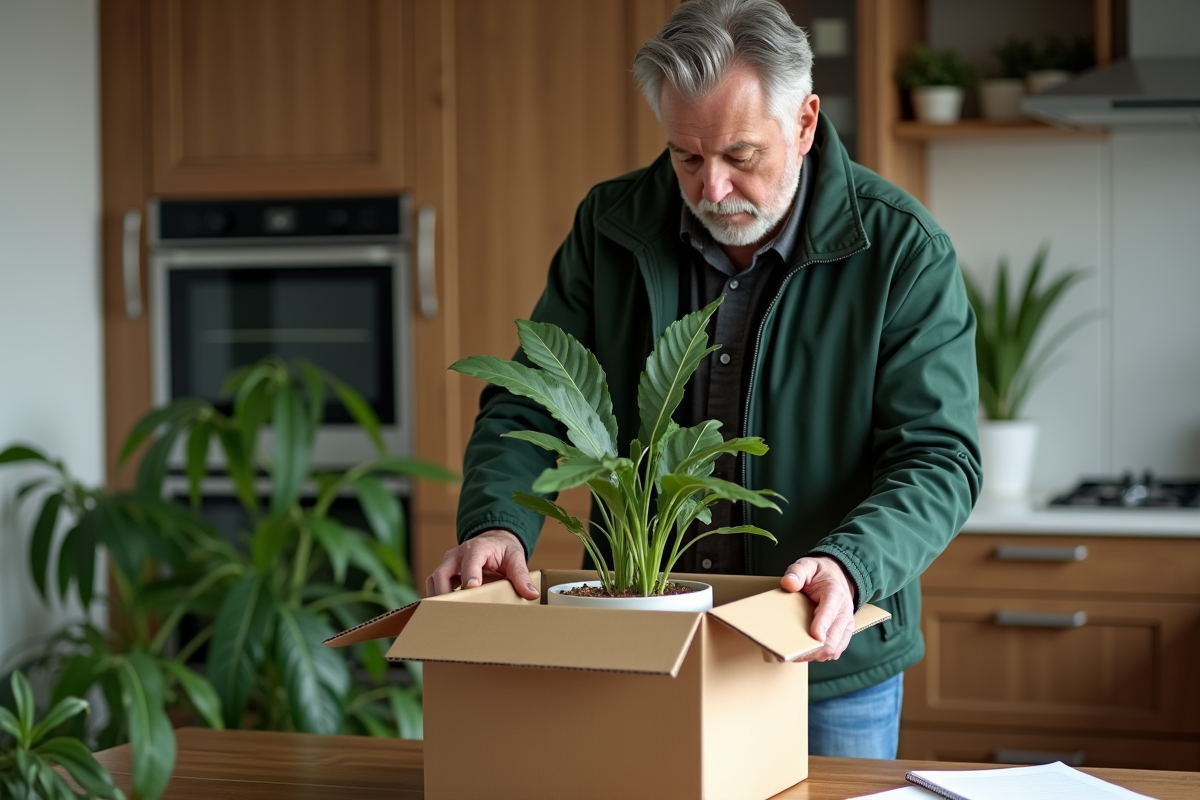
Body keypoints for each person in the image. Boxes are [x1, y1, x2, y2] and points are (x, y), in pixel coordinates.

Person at [426, 0, 981, 759]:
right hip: (636, 646)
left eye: (740, 157)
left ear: (806, 122)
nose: (711, 188)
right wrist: (496, 521)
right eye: (686, 157)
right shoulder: (610, 225)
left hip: (819, 660)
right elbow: (538, 398)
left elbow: (939, 459)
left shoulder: (902, 251)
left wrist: (852, 566)